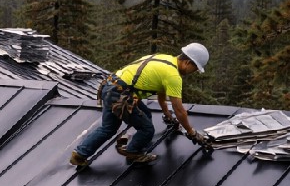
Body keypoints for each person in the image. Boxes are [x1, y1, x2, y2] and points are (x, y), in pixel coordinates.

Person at [70, 43, 210, 167]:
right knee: (147, 130)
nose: (194, 72)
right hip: (121, 95)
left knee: (111, 127)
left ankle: (79, 155)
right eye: (195, 68)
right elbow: (179, 110)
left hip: (110, 86)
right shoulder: (173, 76)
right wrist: (192, 132)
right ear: (187, 62)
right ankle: (132, 152)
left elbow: (162, 93)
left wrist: (167, 114)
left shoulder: (166, 59)